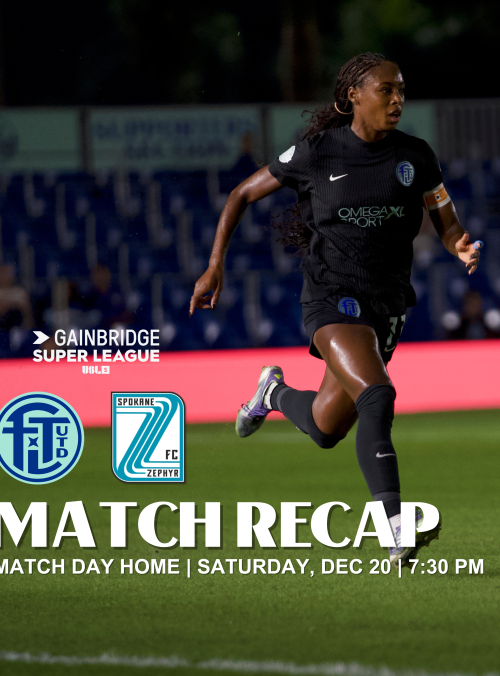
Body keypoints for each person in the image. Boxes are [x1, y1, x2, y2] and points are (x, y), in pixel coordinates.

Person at [189, 52, 481, 563]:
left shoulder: (416, 156)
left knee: (326, 429)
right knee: (377, 395)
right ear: (354, 96)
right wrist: (215, 266)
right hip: (330, 296)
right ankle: (394, 527)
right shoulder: (316, 152)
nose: (397, 100)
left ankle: (272, 392)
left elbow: (444, 216)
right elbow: (240, 194)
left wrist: (457, 243)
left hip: (386, 304)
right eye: (386, 90)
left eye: (401, 90)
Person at [0, 264, 33, 330]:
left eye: (5, 274)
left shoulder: (20, 291)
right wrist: (15, 305)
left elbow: (27, 312)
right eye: (1, 274)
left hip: (19, 326)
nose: (3, 277)